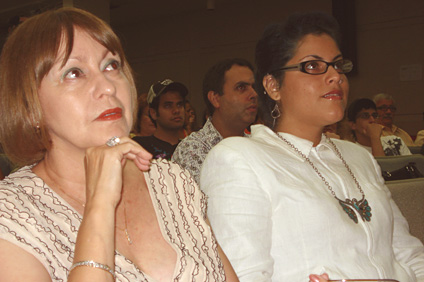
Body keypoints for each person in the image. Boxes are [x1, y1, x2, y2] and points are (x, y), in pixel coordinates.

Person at [0, 7, 238, 282]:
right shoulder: (12, 214)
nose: (107, 86)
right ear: (30, 107)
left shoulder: (172, 181)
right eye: (74, 72)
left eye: (111, 66)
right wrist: (100, 204)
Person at [200, 11, 424, 282]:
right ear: (272, 86)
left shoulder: (359, 158)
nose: (335, 77)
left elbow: (408, 254)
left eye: (338, 65)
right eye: (313, 66)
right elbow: (241, 276)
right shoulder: (239, 159)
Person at [172, 58, 258, 184]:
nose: (254, 94)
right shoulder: (193, 150)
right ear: (215, 99)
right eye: (241, 87)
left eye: (253, 87)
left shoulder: (257, 143)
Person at [133, 79, 186, 160]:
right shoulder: (138, 146)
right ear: (153, 113)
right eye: (168, 106)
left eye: (179, 105)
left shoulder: (191, 146)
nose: (176, 110)